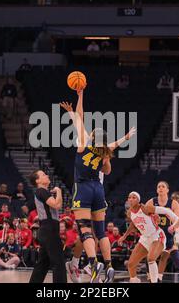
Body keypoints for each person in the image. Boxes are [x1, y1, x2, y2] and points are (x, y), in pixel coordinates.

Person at [59, 96, 136, 283]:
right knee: (101, 232)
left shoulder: (84, 144)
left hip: (83, 187)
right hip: (98, 189)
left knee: (84, 229)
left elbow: (80, 116)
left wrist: (80, 94)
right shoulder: (105, 150)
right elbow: (116, 144)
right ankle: (108, 265)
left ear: (92, 136)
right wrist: (127, 136)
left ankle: (94, 264)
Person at [119, 192, 176, 283]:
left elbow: (166, 211)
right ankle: (135, 281)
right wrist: (124, 236)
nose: (131, 199)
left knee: (151, 258)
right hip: (145, 238)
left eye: (134, 197)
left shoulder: (145, 208)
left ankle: (155, 281)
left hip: (156, 235)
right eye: (129, 197)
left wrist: (177, 221)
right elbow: (133, 223)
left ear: (138, 200)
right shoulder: (129, 212)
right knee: (131, 264)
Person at [29, 170, 66, 283]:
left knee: (43, 263)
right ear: (37, 180)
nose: (47, 176)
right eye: (43, 175)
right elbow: (57, 205)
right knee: (58, 261)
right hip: (49, 229)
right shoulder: (41, 191)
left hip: (47, 229)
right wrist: (59, 191)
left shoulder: (42, 192)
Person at [145, 181, 179, 282]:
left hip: (168, 234)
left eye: (163, 186)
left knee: (167, 257)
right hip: (155, 234)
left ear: (167, 190)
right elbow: (144, 215)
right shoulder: (151, 201)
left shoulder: (173, 203)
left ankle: (159, 277)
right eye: (159, 186)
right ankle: (151, 277)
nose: (160, 188)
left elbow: (177, 220)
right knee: (150, 257)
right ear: (157, 189)